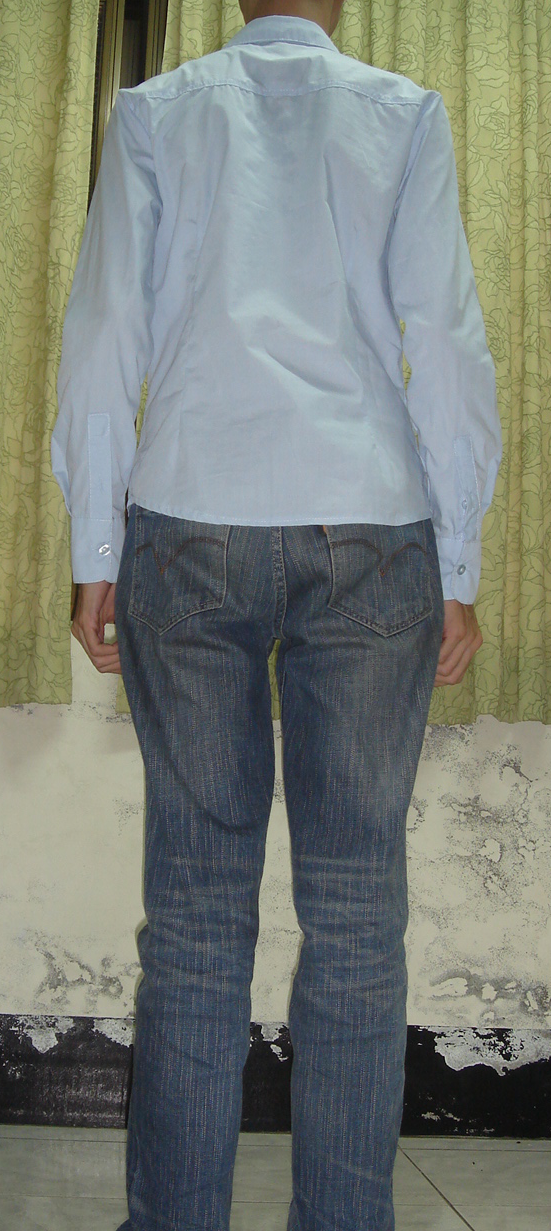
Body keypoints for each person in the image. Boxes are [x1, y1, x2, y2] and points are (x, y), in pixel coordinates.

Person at [51, 0, 502, 1227]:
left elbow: (106, 329)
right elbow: (443, 340)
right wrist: (456, 563)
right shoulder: (401, 115)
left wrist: (97, 547)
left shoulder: (155, 113)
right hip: (369, 527)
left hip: (187, 517)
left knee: (195, 911)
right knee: (355, 912)